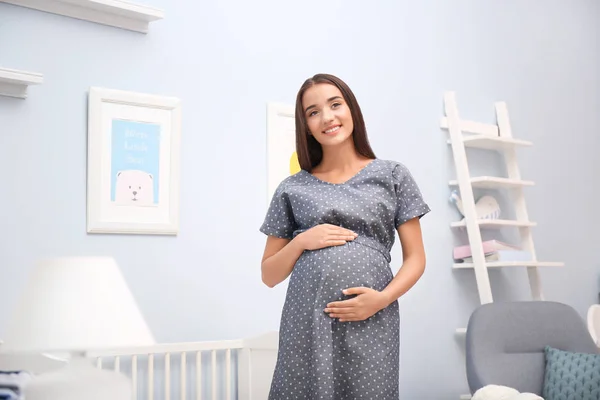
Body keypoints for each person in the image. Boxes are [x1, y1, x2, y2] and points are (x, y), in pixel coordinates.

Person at [259, 73, 430, 399]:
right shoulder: (292, 187)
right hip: (305, 321)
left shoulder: (391, 175)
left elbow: (417, 258)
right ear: (306, 125)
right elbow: (268, 275)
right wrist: (300, 242)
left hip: (371, 315)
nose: (327, 117)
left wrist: (381, 299)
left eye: (335, 104)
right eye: (313, 112)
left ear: (351, 108)